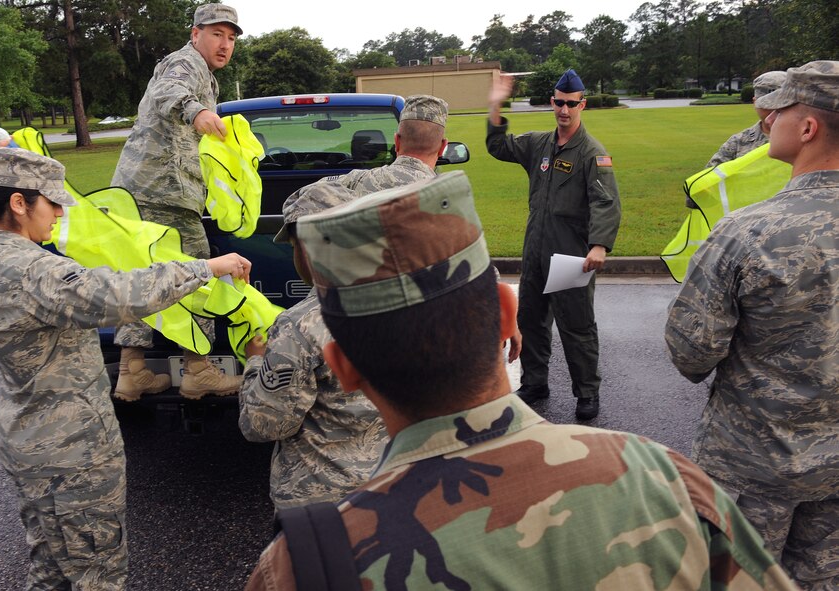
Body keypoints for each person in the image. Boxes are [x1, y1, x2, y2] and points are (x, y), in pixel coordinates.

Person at [244, 171, 796, 591]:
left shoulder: (302, 566)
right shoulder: (665, 480)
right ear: (508, 316)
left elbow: (263, 421)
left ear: (342, 367)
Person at [0, 148, 251, 590]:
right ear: (18, 204)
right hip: (70, 452)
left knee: (51, 569)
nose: (59, 212)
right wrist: (205, 267)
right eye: (51, 202)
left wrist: (2, 165)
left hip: (27, 438)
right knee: (97, 574)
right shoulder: (29, 270)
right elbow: (119, 295)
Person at [665, 60, 839, 590]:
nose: (769, 121)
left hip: (750, 465)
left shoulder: (747, 231)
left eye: (780, 110)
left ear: (807, 128)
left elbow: (690, 352)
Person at [110, 4, 244, 401]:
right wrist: (196, 110)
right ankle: (198, 371)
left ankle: (131, 371)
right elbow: (173, 90)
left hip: (147, 192)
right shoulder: (183, 63)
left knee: (141, 274)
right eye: (217, 34)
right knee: (200, 272)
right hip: (161, 193)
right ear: (195, 34)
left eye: (231, 38)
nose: (225, 44)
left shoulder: (204, 73)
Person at [237, 183, 389, 511]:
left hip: (322, 505)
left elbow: (264, 424)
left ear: (306, 248)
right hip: (395, 488)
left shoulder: (301, 325)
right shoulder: (404, 301)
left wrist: (254, 364)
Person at [486, 69, 621, 420]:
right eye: (559, 103)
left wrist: (599, 245)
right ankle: (535, 382)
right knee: (531, 320)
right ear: (552, 103)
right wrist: (496, 104)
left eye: (571, 104)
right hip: (536, 250)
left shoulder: (592, 153)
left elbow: (605, 202)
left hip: (570, 256)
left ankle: (587, 393)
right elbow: (499, 146)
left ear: (582, 105)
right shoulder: (539, 144)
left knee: (576, 327)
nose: (564, 110)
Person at [323, 94, 449, 196]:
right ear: (442, 147)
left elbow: (310, 193)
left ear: (397, 142)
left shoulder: (355, 181)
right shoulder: (447, 196)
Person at [706, 70, 788, 167]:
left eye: (781, 104)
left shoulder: (805, 141)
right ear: (755, 102)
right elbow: (710, 176)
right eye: (767, 104)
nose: (773, 109)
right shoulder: (737, 143)